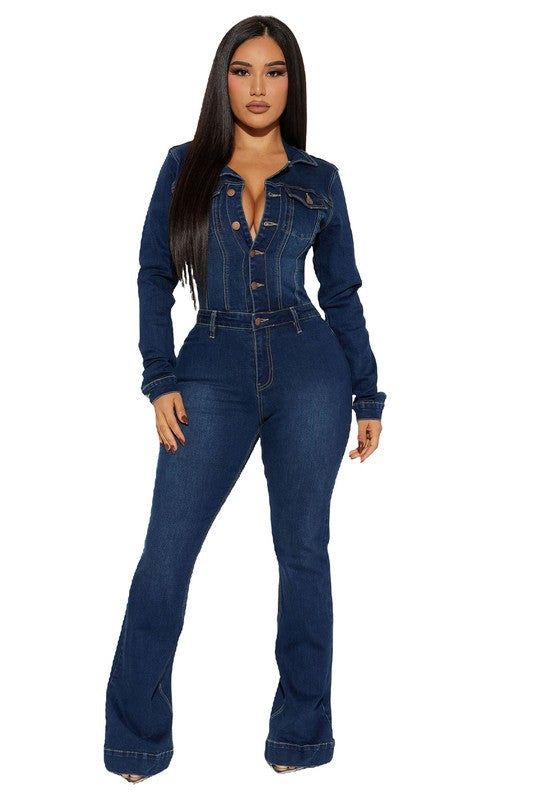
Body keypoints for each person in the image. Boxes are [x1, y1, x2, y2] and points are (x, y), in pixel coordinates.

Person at [103, 15, 386, 781]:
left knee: (302, 552)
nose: (258, 87)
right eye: (242, 70)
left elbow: (341, 292)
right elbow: (153, 275)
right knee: (166, 553)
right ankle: (136, 738)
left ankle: (299, 735)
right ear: (222, 80)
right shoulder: (185, 165)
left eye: (273, 71)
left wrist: (366, 393)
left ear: (292, 82)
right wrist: (159, 378)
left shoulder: (318, 178)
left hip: (309, 369)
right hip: (210, 367)